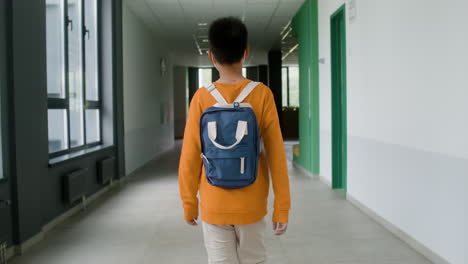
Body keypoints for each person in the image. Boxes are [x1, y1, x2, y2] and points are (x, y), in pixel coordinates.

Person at [178, 16, 291, 264]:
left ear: (211, 56)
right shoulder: (262, 94)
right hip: (251, 204)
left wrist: (189, 203)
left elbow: (189, 155)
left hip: (213, 202)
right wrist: (281, 206)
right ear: (246, 52)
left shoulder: (201, 97)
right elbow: (276, 155)